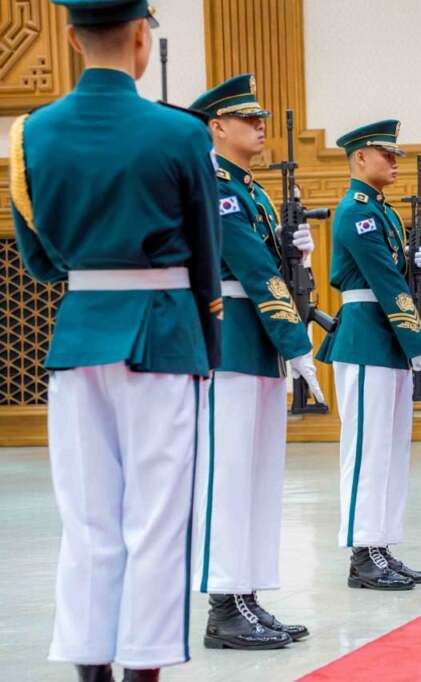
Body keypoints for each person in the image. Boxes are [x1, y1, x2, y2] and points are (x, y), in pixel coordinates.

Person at [10, 2, 220, 679]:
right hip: (163, 332)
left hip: (78, 336)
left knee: (87, 518)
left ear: (72, 39)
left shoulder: (31, 133)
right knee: (156, 519)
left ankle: (90, 667)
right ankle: (142, 668)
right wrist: (207, 345)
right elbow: (206, 252)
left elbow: (38, 260)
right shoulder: (181, 132)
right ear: (139, 36)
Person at [189, 75, 322, 650]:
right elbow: (253, 269)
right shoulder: (216, 186)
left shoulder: (255, 192)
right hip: (233, 343)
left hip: (260, 345)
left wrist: (302, 259)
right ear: (217, 126)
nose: (260, 126)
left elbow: (280, 271)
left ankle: (246, 593)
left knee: (259, 478)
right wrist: (296, 341)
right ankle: (223, 605)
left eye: (261, 117)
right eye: (248, 118)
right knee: (229, 476)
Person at [317, 120, 421, 590]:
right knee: (367, 448)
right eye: (386, 154)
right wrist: (419, 344)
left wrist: (419, 267)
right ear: (361, 157)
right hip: (367, 337)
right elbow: (385, 282)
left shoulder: (383, 212)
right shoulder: (356, 211)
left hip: (388, 339)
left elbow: (398, 276)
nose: (394, 162)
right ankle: (362, 552)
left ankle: (382, 544)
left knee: (391, 448)